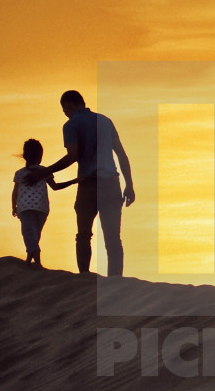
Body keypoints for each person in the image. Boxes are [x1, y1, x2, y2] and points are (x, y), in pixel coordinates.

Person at [31, 91, 135, 276]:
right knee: (113, 239)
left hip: (89, 185)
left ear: (69, 106)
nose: (65, 113)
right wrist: (129, 185)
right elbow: (121, 154)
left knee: (84, 235)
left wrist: (45, 171)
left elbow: (72, 156)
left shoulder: (71, 125)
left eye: (65, 110)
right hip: (112, 184)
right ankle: (116, 281)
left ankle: (85, 277)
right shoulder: (105, 121)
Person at [11, 139, 76, 268]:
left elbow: (15, 192)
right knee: (34, 234)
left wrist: (14, 206)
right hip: (42, 208)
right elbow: (55, 187)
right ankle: (30, 259)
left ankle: (37, 262)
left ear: (24, 156)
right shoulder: (44, 171)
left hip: (25, 208)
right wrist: (73, 181)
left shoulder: (20, 173)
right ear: (40, 156)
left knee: (29, 233)